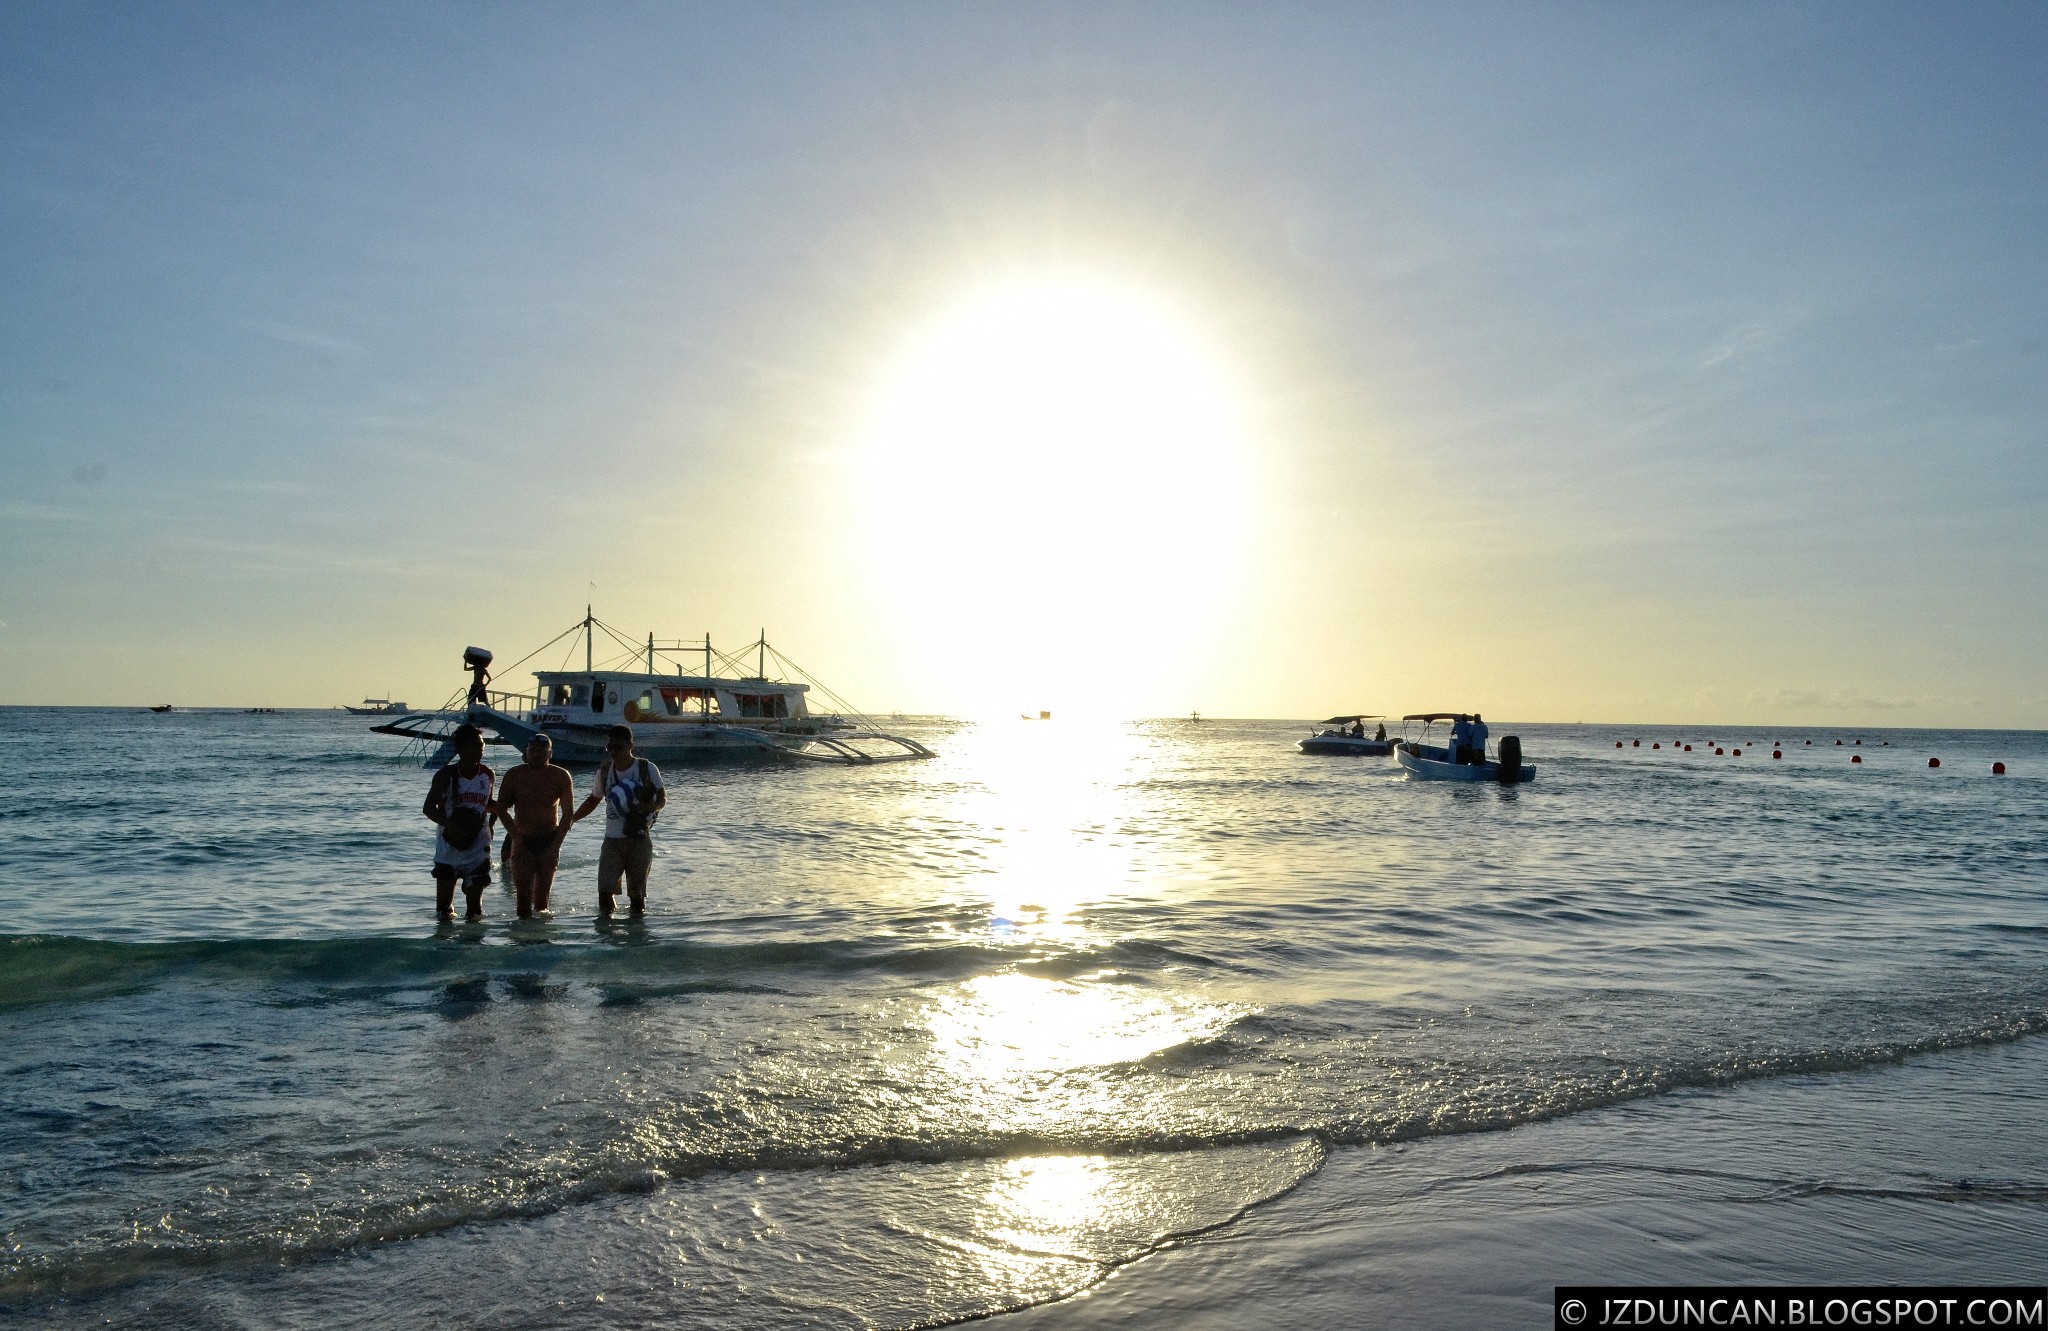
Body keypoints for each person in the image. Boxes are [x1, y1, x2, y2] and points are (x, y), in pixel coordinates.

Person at [572, 724, 666, 917]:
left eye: (619, 747)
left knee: (637, 898)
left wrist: (644, 808)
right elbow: (593, 799)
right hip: (612, 841)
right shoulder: (605, 771)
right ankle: (608, 938)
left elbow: (662, 799)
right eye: (610, 748)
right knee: (604, 893)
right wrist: (572, 819)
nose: (614, 752)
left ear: (630, 745)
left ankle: (635, 940)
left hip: (639, 839)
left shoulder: (646, 768)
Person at [496, 734, 576, 918]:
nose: (536, 755)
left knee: (542, 900)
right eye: (532, 751)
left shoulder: (560, 776)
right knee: (523, 900)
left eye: (541, 751)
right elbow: (501, 809)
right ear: (526, 752)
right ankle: (522, 941)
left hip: (548, 840)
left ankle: (541, 942)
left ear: (550, 753)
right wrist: (516, 838)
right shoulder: (514, 775)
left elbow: (568, 814)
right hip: (522, 839)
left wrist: (555, 846)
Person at [424, 724, 496, 919]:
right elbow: (428, 808)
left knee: (475, 911)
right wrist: (451, 826)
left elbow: (487, 803)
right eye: (474, 746)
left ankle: (472, 945)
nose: (480, 751)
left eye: (482, 747)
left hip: (478, 848)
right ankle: (445, 947)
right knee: (444, 912)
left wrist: (492, 823)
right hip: (449, 848)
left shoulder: (488, 775)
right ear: (461, 749)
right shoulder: (445, 775)